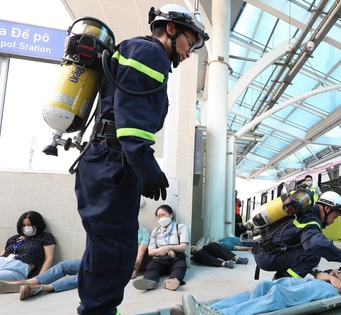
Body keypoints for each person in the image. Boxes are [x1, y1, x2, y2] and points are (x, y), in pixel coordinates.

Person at [73, 4, 208, 314]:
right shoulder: (150, 54)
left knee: (104, 245)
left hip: (106, 162)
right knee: (115, 249)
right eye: (191, 41)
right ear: (171, 29)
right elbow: (133, 121)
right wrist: (147, 168)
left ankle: (95, 308)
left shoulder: (136, 50)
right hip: (114, 164)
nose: (190, 52)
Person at [0, 227, 150, 300]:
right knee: (64, 266)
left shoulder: (141, 232)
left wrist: (132, 266)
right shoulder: (113, 230)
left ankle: (42, 288)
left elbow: (140, 252)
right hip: (97, 260)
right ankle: (31, 282)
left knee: (87, 276)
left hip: (118, 266)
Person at [171, 262, 341, 315]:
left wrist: (335, 276)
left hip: (327, 290)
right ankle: (205, 307)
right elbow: (319, 273)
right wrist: (333, 274)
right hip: (317, 282)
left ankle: (219, 314)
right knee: (265, 286)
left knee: (279, 296)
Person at [253, 191, 341, 279]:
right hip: (268, 256)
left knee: (308, 248)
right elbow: (317, 243)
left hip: (264, 250)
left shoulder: (305, 212)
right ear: (327, 208)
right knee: (313, 253)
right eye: (334, 217)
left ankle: (281, 279)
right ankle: (284, 285)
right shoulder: (310, 220)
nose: (332, 222)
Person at [0, 211, 56, 291]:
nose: (26, 227)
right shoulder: (14, 238)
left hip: (15, 268)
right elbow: (4, 252)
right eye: (24, 225)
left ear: (37, 225)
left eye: (29, 225)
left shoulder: (45, 237)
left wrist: (39, 280)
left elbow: (49, 258)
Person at [133, 205, 190, 291]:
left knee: (180, 266)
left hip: (176, 258)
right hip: (159, 259)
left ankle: (174, 281)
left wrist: (168, 248)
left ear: (171, 215)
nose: (161, 218)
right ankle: (149, 282)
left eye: (163, 215)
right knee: (151, 268)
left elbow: (183, 247)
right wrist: (163, 250)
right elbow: (150, 251)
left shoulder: (181, 227)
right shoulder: (155, 231)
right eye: (158, 216)